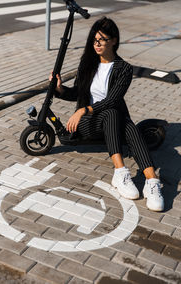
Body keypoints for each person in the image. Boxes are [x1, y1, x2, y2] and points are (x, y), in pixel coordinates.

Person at [50, 16, 164, 212]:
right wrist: (60, 89)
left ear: (114, 41)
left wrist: (82, 109)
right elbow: (77, 93)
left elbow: (113, 99)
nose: (97, 44)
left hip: (108, 120)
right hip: (88, 124)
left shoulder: (124, 69)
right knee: (114, 115)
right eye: (95, 40)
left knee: (126, 124)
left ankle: (152, 181)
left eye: (102, 40)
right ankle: (120, 172)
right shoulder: (87, 64)